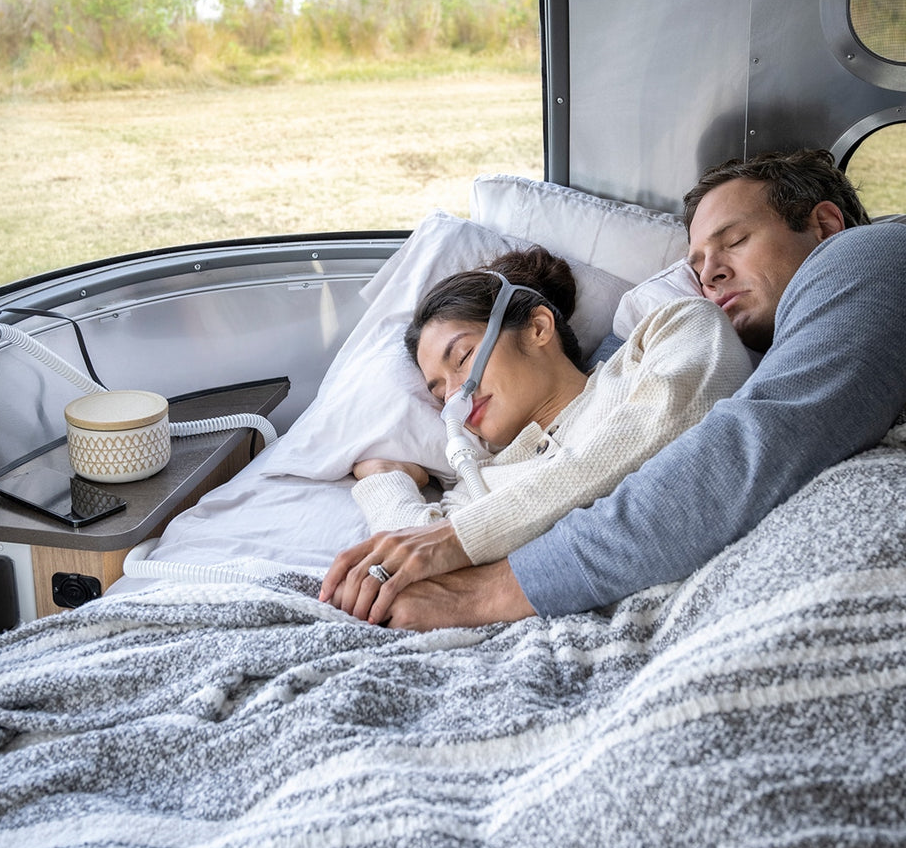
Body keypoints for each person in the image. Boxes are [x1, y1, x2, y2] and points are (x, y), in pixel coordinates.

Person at [323, 148, 906, 630]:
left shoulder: (869, 253)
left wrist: (481, 583)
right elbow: (408, 559)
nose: (710, 274)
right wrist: (385, 477)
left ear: (824, 225)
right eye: (698, 265)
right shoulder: (490, 471)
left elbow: (754, 445)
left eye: (734, 241)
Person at [320, 244, 753, 621]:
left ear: (538, 328)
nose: (455, 398)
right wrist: (385, 475)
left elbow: (667, 421)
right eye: (439, 392)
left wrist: (460, 540)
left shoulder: (662, 339)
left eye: (463, 357)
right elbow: (409, 567)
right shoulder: (482, 481)